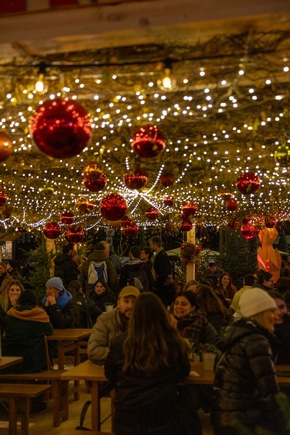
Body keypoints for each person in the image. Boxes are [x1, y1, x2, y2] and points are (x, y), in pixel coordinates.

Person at [105, 292, 198, 435]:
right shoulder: (172, 341)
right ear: (162, 314)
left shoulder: (119, 342)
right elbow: (183, 372)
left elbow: (110, 375)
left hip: (126, 418)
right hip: (163, 417)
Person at [211, 287, 287, 435]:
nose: (275, 316)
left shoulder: (232, 334)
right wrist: (284, 421)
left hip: (223, 415)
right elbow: (269, 390)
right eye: (271, 311)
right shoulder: (256, 341)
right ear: (260, 314)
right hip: (245, 419)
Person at [2, 289, 53, 373]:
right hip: (34, 363)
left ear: (19, 301)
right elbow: (50, 330)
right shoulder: (40, 317)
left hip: (11, 364)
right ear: (35, 302)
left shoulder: (10, 317)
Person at [88, 286, 140, 365]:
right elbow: (93, 351)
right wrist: (123, 352)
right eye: (126, 301)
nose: (130, 306)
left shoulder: (145, 321)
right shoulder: (105, 320)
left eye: (134, 302)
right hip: (112, 368)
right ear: (118, 303)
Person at [149, 236, 176, 307]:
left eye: (151, 244)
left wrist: (158, 284)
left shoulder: (161, 255)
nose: (150, 246)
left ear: (155, 244)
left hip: (161, 286)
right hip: (161, 285)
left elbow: (163, 272)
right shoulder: (159, 255)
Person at [268, 290, 290, 364]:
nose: (279, 312)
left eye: (282, 307)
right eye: (273, 309)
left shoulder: (287, 325)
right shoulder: (256, 332)